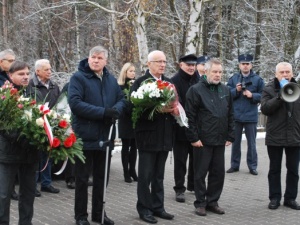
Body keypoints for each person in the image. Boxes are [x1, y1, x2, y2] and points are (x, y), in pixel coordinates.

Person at [68, 45, 126, 225]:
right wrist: (103, 112)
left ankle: (99, 213)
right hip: (85, 135)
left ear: (105, 61)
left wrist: (115, 110)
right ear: (88, 58)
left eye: (100, 58)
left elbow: (122, 99)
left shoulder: (110, 79)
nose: (95, 60)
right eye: (93, 57)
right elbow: (75, 104)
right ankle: (81, 216)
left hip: (105, 136)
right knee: (83, 179)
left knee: (103, 178)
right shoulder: (78, 78)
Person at [131, 50, 178, 224]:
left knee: (159, 175)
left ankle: (158, 207)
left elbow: (175, 103)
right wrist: (155, 109)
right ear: (148, 64)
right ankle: (144, 208)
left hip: (165, 136)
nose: (162, 65)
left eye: (164, 61)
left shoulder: (169, 82)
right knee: (145, 175)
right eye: (158, 61)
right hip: (147, 137)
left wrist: (175, 110)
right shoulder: (140, 83)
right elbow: (134, 110)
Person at [185, 58, 235, 216]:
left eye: (220, 72)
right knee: (200, 173)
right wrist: (193, 137)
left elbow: (231, 114)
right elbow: (189, 117)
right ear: (206, 72)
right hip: (202, 140)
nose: (218, 75)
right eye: (215, 71)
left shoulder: (225, 90)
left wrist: (230, 134)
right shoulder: (195, 90)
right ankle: (200, 202)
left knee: (218, 173)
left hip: (220, 139)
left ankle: (213, 201)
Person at [0, 61, 42, 224]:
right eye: (20, 74)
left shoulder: (36, 94)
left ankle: (26, 222)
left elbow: (43, 119)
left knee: (28, 194)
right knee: (3, 195)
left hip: (30, 154)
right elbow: (4, 124)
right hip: (8, 154)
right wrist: (23, 139)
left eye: (27, 73)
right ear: (10, 76)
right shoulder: (4, 94)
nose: (25, 77)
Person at [260, 62, 300, 210]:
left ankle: (290, 198)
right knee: (274, 169)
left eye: (287, 72)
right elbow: (265, 108)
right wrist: (280, 96)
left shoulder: (298, 88)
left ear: (292, 73)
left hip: (295, 136)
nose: (285, 75)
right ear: (276, 74)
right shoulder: (269, 89)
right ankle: (275, 198)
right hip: (275, 137)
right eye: (282, 72)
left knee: (294, 170)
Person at [226, 54, 265, 175]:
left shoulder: (258, 79)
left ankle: (252, 166)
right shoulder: (233, 79)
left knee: (252, 144)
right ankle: (234, 165)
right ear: (239, 65)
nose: (245, 66)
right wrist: (236, 91)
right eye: (243, 64)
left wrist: (252, 95)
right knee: (235, 143)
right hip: (236, 116)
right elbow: (227, 94)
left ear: (251, 65)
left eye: (247, 64)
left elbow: (264, 96)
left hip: (251, 117)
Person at [28, 59, 60, 197]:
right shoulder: (30, 85)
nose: (49, 72)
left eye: (50, 69)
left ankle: (46, 183)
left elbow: (58, 102)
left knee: (48, 154)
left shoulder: (54, 86)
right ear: (38, 71)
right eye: (46, 69)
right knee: (35, 156)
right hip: (37, 124)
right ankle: (33, 185)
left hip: (50, 124)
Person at [171, 54, 198, 203]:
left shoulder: (198, 79)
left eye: (193, 65)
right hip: (180, 127)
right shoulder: (174, 81)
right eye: (188, 65)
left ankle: (192, 185)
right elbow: (176, 102)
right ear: (181, 65)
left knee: (195, 159)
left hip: (195, 127)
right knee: (180, 160)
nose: (191, 67)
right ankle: (179, 189)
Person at [0, 49, 19, 200]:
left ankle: (10, 189)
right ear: (1, 62)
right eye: (10, 61)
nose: (13, 63)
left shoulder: (12, 77)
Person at [117, 62, 138, 183]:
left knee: (134, 146)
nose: (133, 73)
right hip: (125, 119)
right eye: (131, 71)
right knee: (126, 146)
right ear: (125, 72)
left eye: (134, 71)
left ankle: (133, 170)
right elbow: (121, 101)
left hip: (135, 119)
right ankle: (126, 172)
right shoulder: (120, 86)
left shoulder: (136, 85)